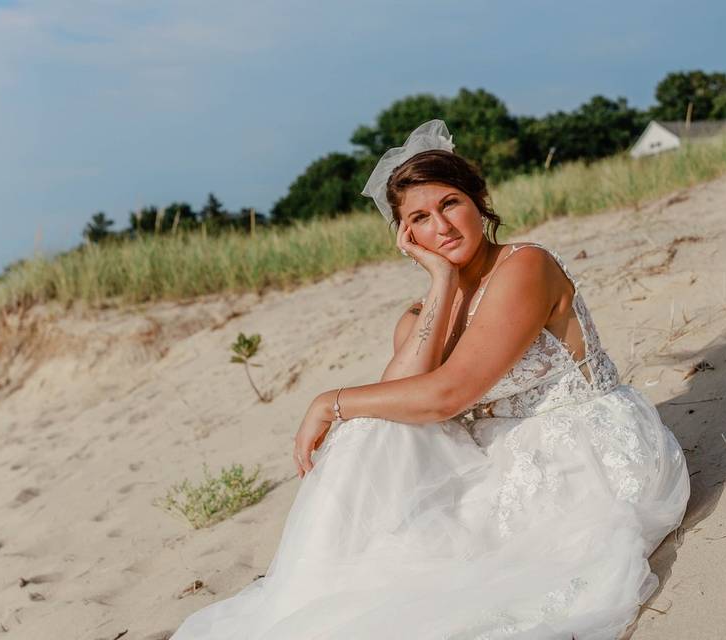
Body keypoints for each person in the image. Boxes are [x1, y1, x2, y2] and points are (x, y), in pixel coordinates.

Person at [170, 120, 690, 639]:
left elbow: (448, 395)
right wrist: (441, 281)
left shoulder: (525, 267)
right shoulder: (421, 312)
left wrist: (329, 401)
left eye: (449, 204)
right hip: (495, 456)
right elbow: (400, 396)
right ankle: (310, 587)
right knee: (371, 430)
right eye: (419, 218)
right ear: (406, 236)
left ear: (478, 201)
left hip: (584, 455)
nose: (441, 227)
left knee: (367, 432)